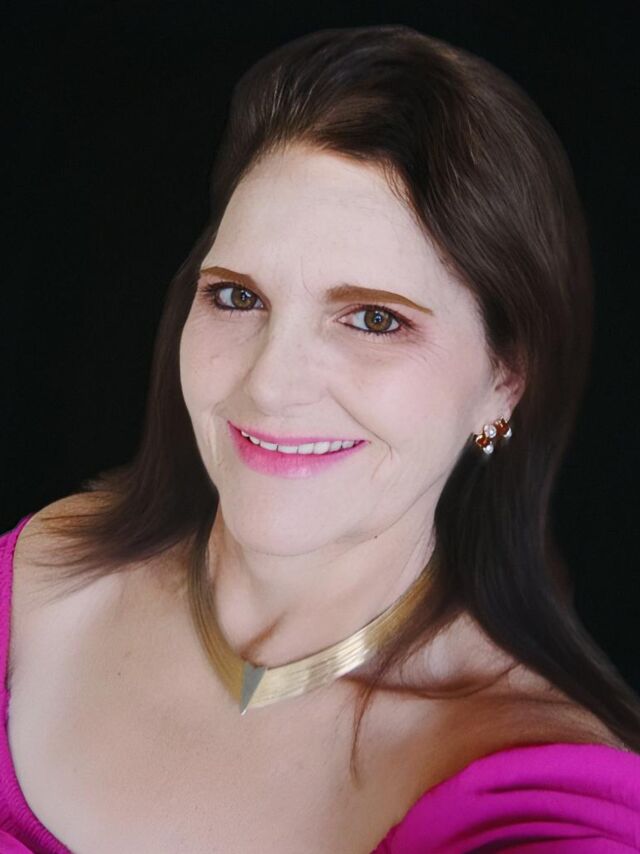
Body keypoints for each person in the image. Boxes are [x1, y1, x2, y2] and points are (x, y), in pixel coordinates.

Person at [2, 23, 639, 854]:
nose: (269, 383)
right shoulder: (36, 579)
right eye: (237, 297)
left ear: (504, 381)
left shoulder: (539, 793)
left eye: (374, 319)